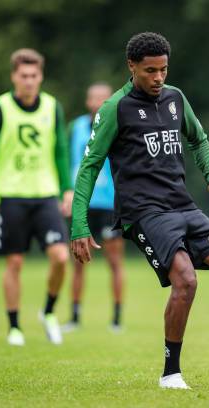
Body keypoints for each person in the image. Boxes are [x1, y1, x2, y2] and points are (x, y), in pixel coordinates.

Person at [71, 32, 209, 389]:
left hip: (181, 204)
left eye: (163, 69)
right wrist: (79, 225)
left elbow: (198, 138)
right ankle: (171, 372)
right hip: (142, 212)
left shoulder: (176, 99)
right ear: (131, 66)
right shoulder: (114, 109)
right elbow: (89, 166)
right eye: (150, 70)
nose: (158, 78)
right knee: (186, 279)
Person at [0, 48, 72, 347]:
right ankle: (15, 327)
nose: (29, 81)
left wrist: (67, 188)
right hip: (11, 195)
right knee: (15, 263)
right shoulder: (0, 108)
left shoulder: (52, 107)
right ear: (14, 77)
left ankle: (48, 312)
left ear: (40, 76)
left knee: (60, 257)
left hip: (45, 195)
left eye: (34, 75)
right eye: (24, 76)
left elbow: (60, 151)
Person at [63, 82, 125, 333]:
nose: (99, 102)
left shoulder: (118, 127)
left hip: (109, 205)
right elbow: (69, 162)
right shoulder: (76, 127)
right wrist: (67, 194)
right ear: (88, 101)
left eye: (104, 98)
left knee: (114, 262)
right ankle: (75, 317)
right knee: (78, 261)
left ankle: (117, 319)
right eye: (94, 97)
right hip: (83, 204)